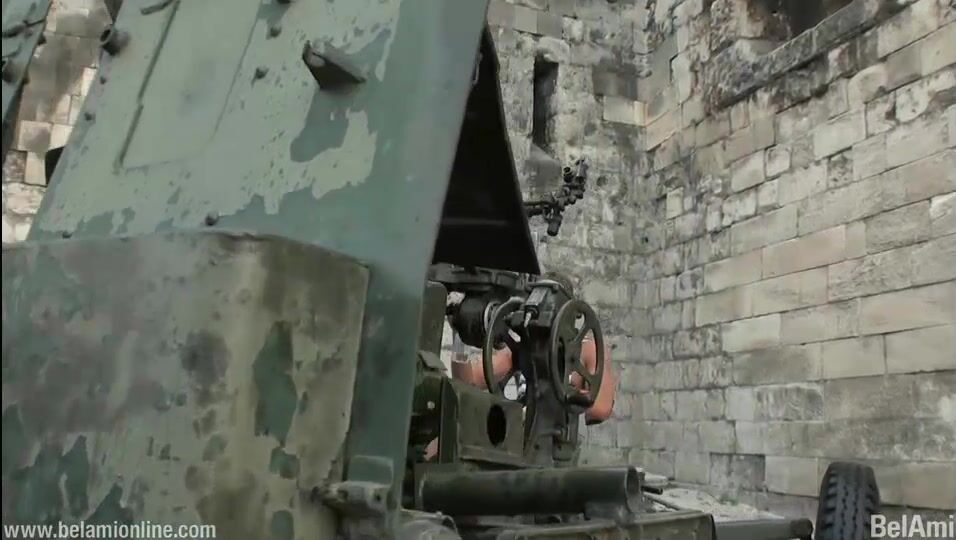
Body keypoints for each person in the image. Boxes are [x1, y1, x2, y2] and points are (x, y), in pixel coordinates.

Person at [450, 272, 615, 425]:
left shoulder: (588, 349)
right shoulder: (524, 347)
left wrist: (562, 392)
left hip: (561, 440)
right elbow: (468, 380)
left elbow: (600, 409)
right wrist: (460, 333)